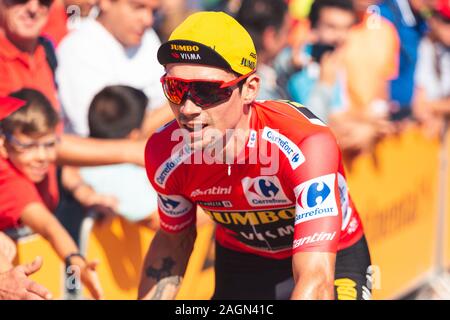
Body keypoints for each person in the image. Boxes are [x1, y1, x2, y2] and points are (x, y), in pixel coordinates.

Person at [138, 11, 371, 300]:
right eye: (175, 89)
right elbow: (174, 242)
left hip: (332, 255)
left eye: (206, 91)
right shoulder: (165, 153)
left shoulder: (304, 144)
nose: (187, 108)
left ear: (249, 89)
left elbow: (316, 278)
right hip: (244, 260)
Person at [0, 89, 104, 299]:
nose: (41, 156)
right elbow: (50, 227)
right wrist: (77, 262)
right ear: (4, 145)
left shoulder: (31, 169)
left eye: (48, 144)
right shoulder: (10, 182)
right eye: (28, 145)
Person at [56, 0, 173, 138]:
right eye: (138, 7)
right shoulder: (77, 48)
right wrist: (180, 105)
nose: (148, 20)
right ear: (105, 2)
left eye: (153, 11)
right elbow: (108, 136)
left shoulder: (148, 38)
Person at [80, 85, 158, 223]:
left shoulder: (78, 163)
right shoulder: (125, 176)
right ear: (133, 135)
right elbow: (158, 220)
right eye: (148, 115)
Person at [287, 0, 357, 123]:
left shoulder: (334, 60)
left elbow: (339, 113)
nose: (340, 36)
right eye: (332, 27)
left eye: (346, 28)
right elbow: (312, 121)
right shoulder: (299, 63)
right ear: (313, 27)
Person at [235, 0, 293, 100]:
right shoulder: (260, 96)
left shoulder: (230, 75)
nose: (288, 41)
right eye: (286, 32)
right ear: (270, 37)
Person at [413, 0, 450, 135]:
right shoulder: (428, 46)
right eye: (447, 21)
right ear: (434, 20)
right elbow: (420, 104)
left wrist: (435, 107)